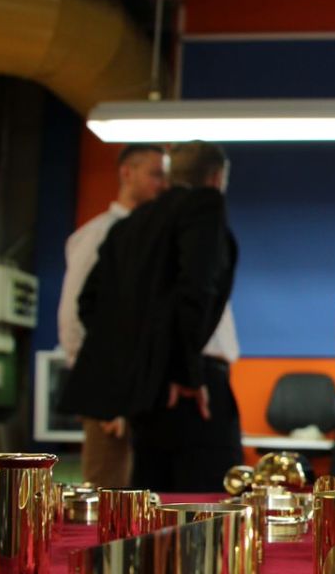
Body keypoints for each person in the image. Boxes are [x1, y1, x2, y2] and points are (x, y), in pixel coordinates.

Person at [60, 141, 240, 492]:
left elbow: (91, 304)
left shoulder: (133, 225)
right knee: (204, 496)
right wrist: (178, 370)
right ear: (216, 178)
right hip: (181, 380)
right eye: (153, 175)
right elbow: (196, 290)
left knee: (149, 494)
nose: (159, 184)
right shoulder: (198, 208)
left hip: (148, 383)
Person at [56, 143, 164, 487]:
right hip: (108, 388)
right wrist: (103, 391)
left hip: (135, 389)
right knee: (107, 495)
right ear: (127, 173)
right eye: (154, 174)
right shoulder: (100, 233)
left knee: (136, 494)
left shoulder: (148, 234)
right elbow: (75, 313)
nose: (161, 184)